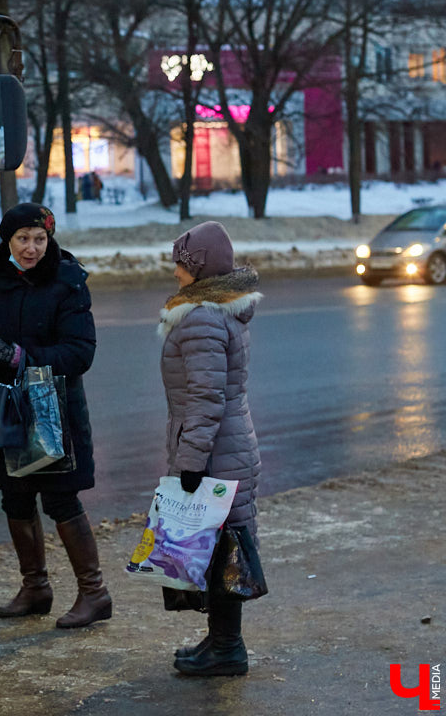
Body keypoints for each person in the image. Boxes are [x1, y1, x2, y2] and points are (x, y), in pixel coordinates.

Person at [0, 203, 110, 628]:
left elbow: (80, 351)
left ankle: (94, 593)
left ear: (50, 240)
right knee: (14, 497)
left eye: (39, 239)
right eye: (22, 239)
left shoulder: (67, 282)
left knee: (62, 498)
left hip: (55, 410)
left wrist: (25, 358)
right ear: (7, 241)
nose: (31, 248)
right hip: (8, 408)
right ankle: (35, 587)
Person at [160, 221, 263, 676]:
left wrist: (190, 463)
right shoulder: (218, 310)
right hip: (228, 447)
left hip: (216, 453)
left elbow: (206, 398)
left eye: (182, 261)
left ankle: (227, 649)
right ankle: (221, 642)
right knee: (220, 549)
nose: (175, 269)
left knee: (221, 552)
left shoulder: (202, 316)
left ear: (198, 266)